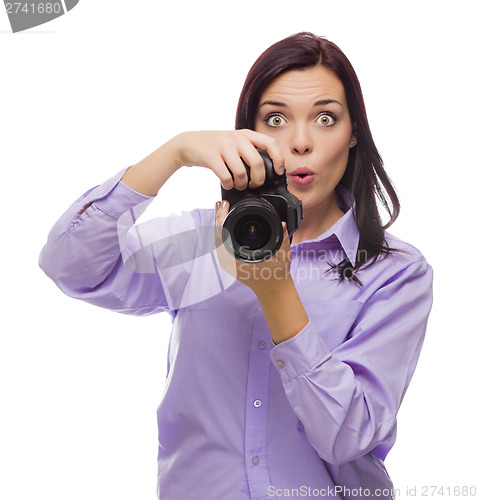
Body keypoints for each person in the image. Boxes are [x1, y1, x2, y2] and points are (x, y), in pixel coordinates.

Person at [39, 32, 433, 499]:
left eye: (325, 118)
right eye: (276, 118)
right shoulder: (199, 242)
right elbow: (68, 264)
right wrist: (176, 152)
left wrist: (275, 292)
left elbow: (347, 435)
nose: (301, 142)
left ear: (352, 137)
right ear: (248, 134)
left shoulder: (396, 273)